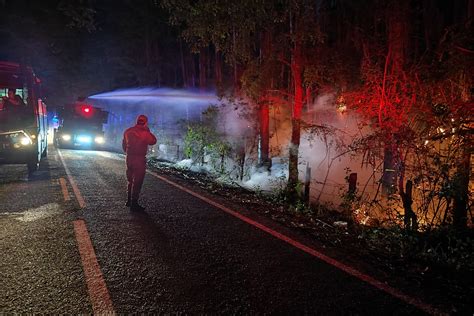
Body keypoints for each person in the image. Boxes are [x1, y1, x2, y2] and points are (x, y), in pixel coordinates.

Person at [122, 114, 157, 211]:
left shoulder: (128, 131)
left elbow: (124, 145)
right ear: (145, 122)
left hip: (129, 157)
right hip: (139, 158)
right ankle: (134, 203)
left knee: (130, 180)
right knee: (137, 182)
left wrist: (129, 152)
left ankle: (129, 200)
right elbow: (153, 141)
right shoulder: (144, 132)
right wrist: (147, 131)